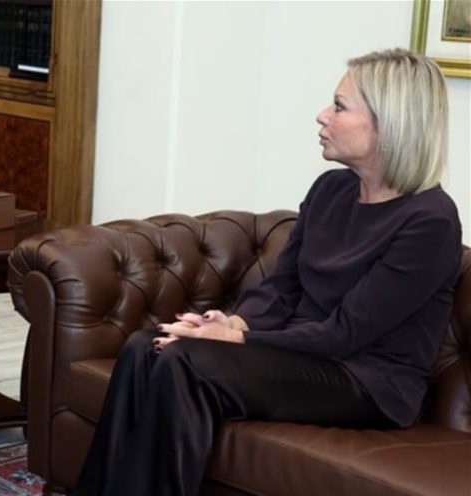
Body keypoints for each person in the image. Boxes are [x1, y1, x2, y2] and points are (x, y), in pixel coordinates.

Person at [74, 48, 463, 495]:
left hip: (368, 381)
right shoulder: (331, 189)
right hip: (304, 356)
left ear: (387, 125)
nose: (322, 115)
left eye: (339, 107)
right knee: (146, 346)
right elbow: (282, 287)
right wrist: (235, 322)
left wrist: (236, 340)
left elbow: (345, 334)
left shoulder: (430, 221)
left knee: (186, 361)